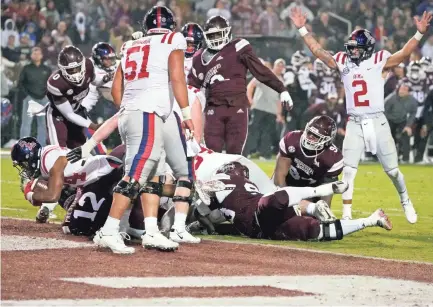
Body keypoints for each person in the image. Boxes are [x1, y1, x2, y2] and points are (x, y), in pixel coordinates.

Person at [289, 7, 432, 223]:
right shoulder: (343, 61)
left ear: (366, 49)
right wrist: (302, 29)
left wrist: (419, 33)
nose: (352, 51)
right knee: (348, 171)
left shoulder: (378, 60)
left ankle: (405, 200)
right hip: (355, 122)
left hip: (377, 120)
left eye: (356, 48)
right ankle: (347, 214)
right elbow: (319, 51)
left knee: (393, 171)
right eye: (351, 48)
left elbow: (403, 54)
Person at [92, 5, 194, 254]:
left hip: (131, 113)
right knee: (136, 174)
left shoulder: (129, 46)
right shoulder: (174, 39)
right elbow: (178, 78)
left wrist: (132, 105)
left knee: (155, 174)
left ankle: (151, 230)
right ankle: (108, 230)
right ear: (171, 26)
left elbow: (117, 91)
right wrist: (187, 113)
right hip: (147, 114)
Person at [191, 161, 391, 241]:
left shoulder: (225, 179)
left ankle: (320, 196)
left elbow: (202, 203)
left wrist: (204, 224)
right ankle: (372, 219)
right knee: (315, 230)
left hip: (258, 219)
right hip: (263, 225)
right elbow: (215, 213)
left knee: (278, 200)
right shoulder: (242, 183)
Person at [187, 15, 293, 155]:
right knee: (212, 152)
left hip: (237, 108)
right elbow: (192, 90)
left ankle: (232, 176)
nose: (215, 38)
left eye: (218, 34)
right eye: (212, 35)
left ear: (227, 32)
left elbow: (261, 71)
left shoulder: (239, 46)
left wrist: (282, 89)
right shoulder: (199, 57)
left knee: (234, 152)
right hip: (213, 109)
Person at [11, 137, 124, 223]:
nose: (25, 168)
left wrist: (30, 195)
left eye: (24, 164)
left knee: (79, 226)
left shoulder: (49, 162)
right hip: (95, 180)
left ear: (30, 157)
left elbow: (52, 196)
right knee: (71, 223)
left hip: (107, 176)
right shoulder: (47, 155)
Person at [45, 45, 113, 149]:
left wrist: (105, 78)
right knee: (58, 151)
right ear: (62, 69)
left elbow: (94, 81)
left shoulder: (88, 66)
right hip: (58, 115)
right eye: (71, 70)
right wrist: (92, 125)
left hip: (77, 111)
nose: (75, 73)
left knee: (77, 150)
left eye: (77, 68)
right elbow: (69, 114)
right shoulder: (56, 83)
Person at [273, 115, 343, 211]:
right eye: (310, 133)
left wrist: (322, 211)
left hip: (312, 192)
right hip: (286, 184)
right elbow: (279, 177)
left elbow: (326, 193)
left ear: (327, 140)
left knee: (313, 218)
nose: (310, 137)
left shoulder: (333, 157)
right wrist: (285, 198)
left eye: (316, 136)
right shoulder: (292, 139)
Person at [244, 58, 286, 160]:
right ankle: (245, 153)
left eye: (282, 66)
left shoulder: (281, 81)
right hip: (259, 107)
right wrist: (250, 100)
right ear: (274, 66)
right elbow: (250, 86)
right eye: (278, 65)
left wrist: (279, 113)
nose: (280, 68)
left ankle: (265, 154)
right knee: (253, 131)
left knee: (267, 133)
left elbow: (279, 99)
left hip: (272, 110)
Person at [18, 47, 52, 145]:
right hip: (30, 99)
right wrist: (27, 96)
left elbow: (50, 84)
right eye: (34, 53)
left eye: (38, 53)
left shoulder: (46, 69)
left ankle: (41, 147)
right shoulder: (26, 68)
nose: (36, 55)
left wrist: (47, 96)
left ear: (41, 56)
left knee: (42, 125)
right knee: (26, 124)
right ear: (31, 55)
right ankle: (23, 145)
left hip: (44, 99)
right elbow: (20, 83)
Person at [384, 79, 418, 163]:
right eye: (401, 89)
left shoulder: (412, 101)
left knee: (406, 135)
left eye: (405, 90)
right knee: (388, 138)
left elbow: (413, 113)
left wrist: (408, 126)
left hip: (402, 121)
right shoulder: (391, 98)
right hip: (390, 120)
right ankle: (388, 158)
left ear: (408, 92)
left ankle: (405, 159)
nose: (402, 91)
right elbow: (384, 111)